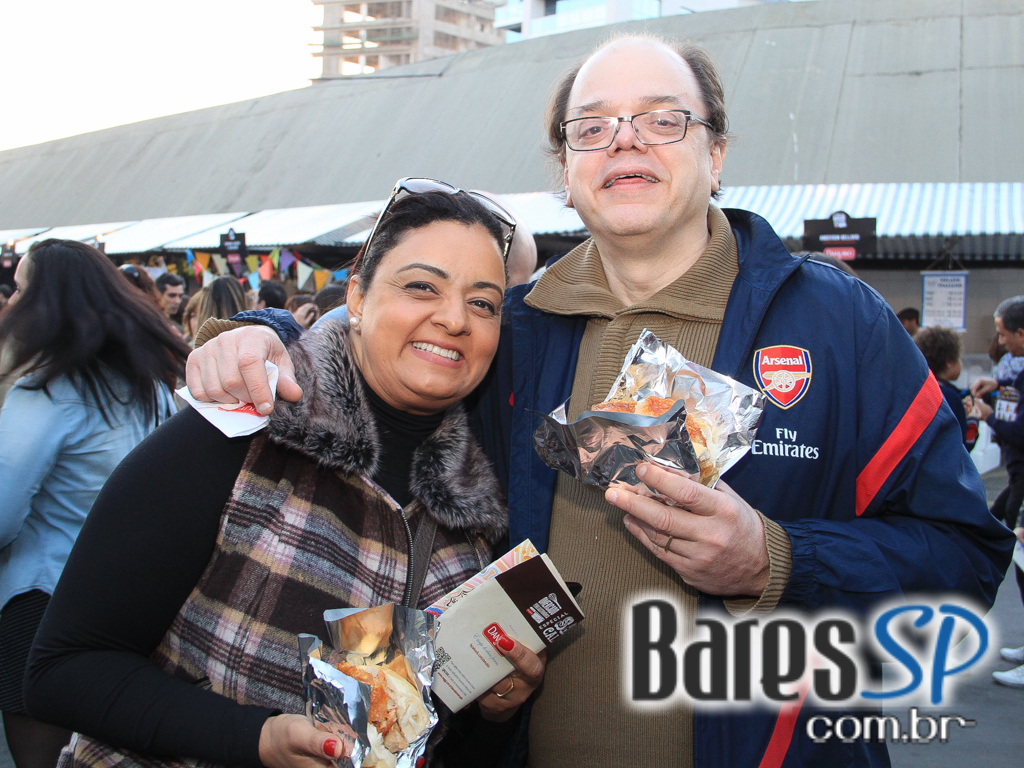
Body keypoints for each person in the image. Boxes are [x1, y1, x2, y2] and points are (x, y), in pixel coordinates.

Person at [182, 36, 1012, 767]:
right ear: (567, 173)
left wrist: (775, 559)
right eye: (594, 126)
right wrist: (257, 331)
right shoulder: (513, 329)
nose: (625, 140)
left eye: (663, 119)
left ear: (716, 153)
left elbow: (964, 558)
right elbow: (375, 338)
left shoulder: (837, 325)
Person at [24, 189, 545, 768]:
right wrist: (255, 738)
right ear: (356, 294)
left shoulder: (476, 513)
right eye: (422, 286)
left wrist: (493, 712)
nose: (453, 318)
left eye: (483, 303)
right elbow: (64, 668)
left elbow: (426, 741)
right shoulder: (243, 427)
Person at [0, 240, 187, 768]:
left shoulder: (49, 391)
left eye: (19, 290)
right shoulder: (149, 384)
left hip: (40, 601)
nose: (12, 304)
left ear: (47, 300)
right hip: (126, 601)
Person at [970, 295, 1024, 688]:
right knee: (1009, 542)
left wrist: (990, 416)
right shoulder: (1014, 373)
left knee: (1009, 542)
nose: (1001, 342)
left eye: (1005, 335)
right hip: (1016, 477)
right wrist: (998, 386)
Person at [914, 325, 978, 450]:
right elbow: (962, 445)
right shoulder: (950, 397)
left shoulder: (917, 390)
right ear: (949, 362)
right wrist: (972, 420)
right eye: (958, 358)